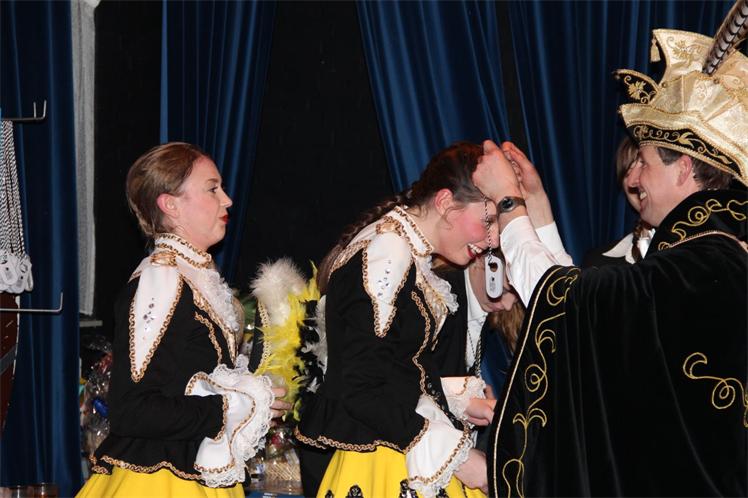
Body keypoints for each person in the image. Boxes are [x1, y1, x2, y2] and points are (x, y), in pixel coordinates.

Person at [476, 27, 747, 496]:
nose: (634, 178)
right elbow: (597, 320)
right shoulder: (710, 255)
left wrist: (508, 205)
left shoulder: (704, 265)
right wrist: (536, 207)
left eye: (644, 162)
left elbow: (576, 304)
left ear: (683, 169)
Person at [77, 143, 291, 497]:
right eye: (212, 189)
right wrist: (232, 408)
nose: (227, 200)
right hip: (159, 483)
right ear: (171, 205)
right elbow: (133, 410)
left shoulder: (194, 277)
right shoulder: (161, 278)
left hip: (196, 475)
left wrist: (252, 401)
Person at [296, 142, 500, 498]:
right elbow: (358, 387)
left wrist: (459, 401)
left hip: (391, 447)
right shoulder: (389, 251)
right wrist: (458, 457)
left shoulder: (404, 250)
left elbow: (391, 371)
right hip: (383, 461)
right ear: (445, 203)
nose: (493, 238)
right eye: (487, 221)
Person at [582, 136, 654, 267]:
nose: (634, 181)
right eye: (627, 173)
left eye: (643, 167)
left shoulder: (691, 252)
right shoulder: (598, 264)